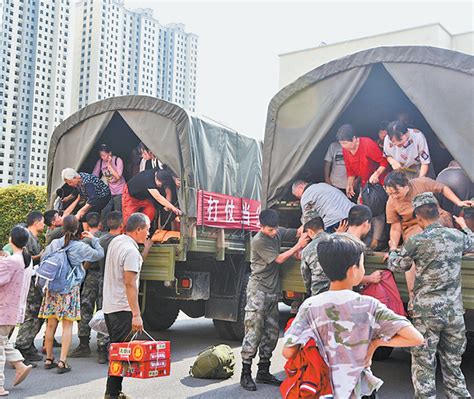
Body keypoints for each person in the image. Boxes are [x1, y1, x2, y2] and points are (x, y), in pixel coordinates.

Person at [283, 234, 424, 398]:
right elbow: (416, 338)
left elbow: (288, 352)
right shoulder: (369, 305)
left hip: (323, 391)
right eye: (362, 264)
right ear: (353, 270)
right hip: (357, 391)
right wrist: (375, 344)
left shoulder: (310, 306)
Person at [387, 193, 473, 398]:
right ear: (437, 211)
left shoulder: (416, 241)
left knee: (424, 365)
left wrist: (392, 250)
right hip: (454, 313)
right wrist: (464, 225)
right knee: (453, 365)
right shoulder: (456, 236)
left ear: (418, 217)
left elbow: (398, 265)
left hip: (426, 314)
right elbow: (472, 242)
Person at [240, 209, 309, 391]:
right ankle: (245, 373)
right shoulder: (259, 241)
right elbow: (278, 259)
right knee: (253, 332)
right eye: (270, 230)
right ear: (261, 226)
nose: (274, 232)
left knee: (271, 334)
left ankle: (263, 371)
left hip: (272, 292)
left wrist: (306, 225)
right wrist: (297, 246)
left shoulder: (277, 232)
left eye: (275, 229)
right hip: (258, 292)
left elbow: (296, 232)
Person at [384, 171, 473, 308]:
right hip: (413, 228)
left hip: (437, 220)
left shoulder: (421, 183)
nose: (394, 196)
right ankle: (413, 297)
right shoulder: (392, 202)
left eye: (396, 192)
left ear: (406, 185)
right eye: (390, 194)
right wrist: (393, 248)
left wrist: (459, 202)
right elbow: (395, 228)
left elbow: (442, 188)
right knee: (413, 255)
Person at [39, 215, 104, 374]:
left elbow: (43, 259)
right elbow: (99, 254)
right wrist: (93, 238)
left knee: (51, 324)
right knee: (67, 326)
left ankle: (48, 359)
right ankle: (62, 362)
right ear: (77, 229)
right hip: (69, 290)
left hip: (52, 289)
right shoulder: (80, 246)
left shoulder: (55, 243)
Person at [102, 213, 153, 399]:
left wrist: (144, 249)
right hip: (122, 308)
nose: (149, 233)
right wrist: (136, 315)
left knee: (118, 351)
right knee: (120, 353)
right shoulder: (130, 251)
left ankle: (114, 391)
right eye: (147, 229)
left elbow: (133, 265)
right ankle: (112, 393)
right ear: (138, 229)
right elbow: (130, 283)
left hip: (110, 306)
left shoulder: (118, 241)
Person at [0, 226, 34, 396]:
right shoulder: (25, 260)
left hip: (3, 309)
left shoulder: (11, 261)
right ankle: (19, 365)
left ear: (10, 240)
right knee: (2, 341)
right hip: (13, 310)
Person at [69, 212, 108, 363]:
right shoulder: (106, 238)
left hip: (91, 275)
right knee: (103, 310)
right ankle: (102, 348)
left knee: (85, 308)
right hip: (105, 276)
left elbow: (84, 262)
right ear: (100, 224)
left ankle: (84, 344)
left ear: (86, 225)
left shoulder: (86, 241)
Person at [14, 211, 47, 364]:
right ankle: (21, 346)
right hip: (30, 282)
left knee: (37, 315)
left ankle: (28, 344)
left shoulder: (32, 238)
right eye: (42, 222)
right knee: (31, 315)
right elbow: (25, 258)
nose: (44, 224)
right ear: (35, 222)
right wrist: (41, 255)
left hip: (35, 281)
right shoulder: (27, 237)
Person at [336, 124, 388, 200]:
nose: (343, 146)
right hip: (365, 183)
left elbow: (384, 161)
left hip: (380, 181)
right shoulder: (345, 150)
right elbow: (350, 170)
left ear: (354, 139)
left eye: (345, 143)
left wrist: (376, 174)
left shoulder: (367, 144)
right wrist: (349, 184)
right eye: (341, 144)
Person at [300, 213, 330, 296]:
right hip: (338, 291)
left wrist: (309, 292)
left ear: (310, 231)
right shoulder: (338, 242)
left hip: (318, 293)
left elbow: (306, 277)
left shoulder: (307, 250)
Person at [92, 144, 126, 218]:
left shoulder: (118, 160)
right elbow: (94, 176)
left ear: (109, 153)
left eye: (104, 155)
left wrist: (109, 166)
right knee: (104, 212)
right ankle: (104, 228)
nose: (103, 158)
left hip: (120, 190)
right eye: (101, 156)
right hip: (108, 190)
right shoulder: (100, 162)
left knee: (118, 212)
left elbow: (117, 177)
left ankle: (118, 228)